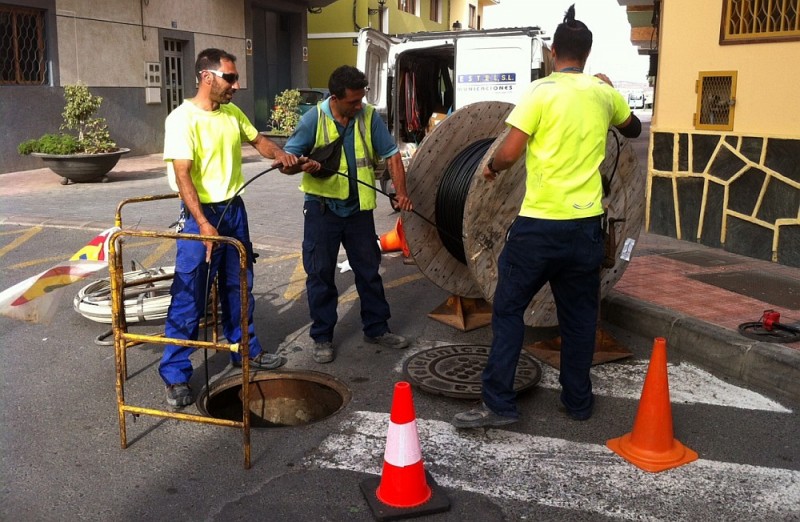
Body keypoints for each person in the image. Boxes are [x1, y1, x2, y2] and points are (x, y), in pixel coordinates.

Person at [452, 5, 642, 428]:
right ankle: (577, 402)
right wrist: (611, 91)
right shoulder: (602, 93)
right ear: (587, 55)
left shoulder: (540, 92)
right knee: (578, 319)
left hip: (538, 228)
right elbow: (633, 131)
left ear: (554, 52)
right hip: (585, 230)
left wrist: (491, 167)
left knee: (507, 309)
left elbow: (510, 149)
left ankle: (499, 404)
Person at [160, 48, 301, 408]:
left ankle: (245, 351)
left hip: (234, 211)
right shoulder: (182, 120)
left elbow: (258, 141)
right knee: (190, 294)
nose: (236, 85)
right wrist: (203, 223)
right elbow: (182, 173)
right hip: (200, 215)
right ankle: (175, 374)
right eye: (231, 78)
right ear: (207, 77)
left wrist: (281, 155)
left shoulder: (232, 113)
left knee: (239, 285)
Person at [281, 65, 413, 364]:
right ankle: (322, 336)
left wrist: (401, 193)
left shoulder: (367, 116)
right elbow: (287, 164)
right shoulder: (313, 119)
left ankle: (377, 328)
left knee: (369, 272)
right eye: (353, 101)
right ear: (336, 98)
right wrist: (301, 163)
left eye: (361, 99)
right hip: (322, 211)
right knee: (321, 275)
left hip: (358, 212)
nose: (359, 105)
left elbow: (392, 155)